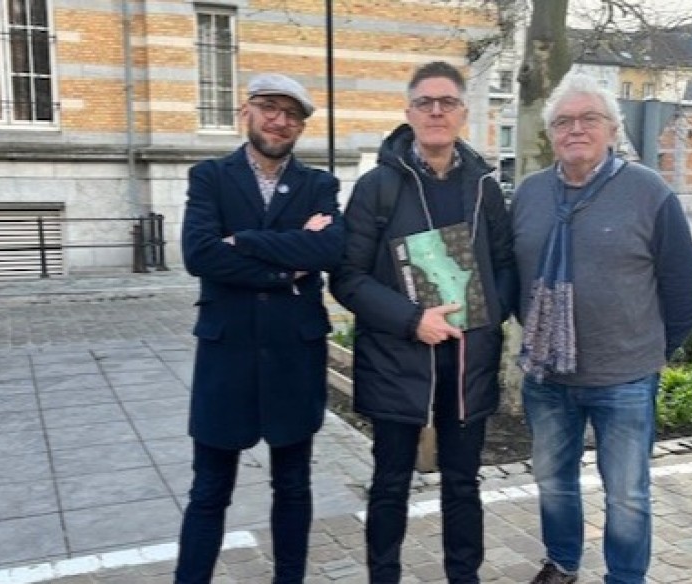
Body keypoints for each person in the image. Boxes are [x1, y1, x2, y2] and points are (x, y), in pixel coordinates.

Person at [511, 72, 692, 584]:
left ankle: (625, 577)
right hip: (547, 378)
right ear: (550, 133)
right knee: (552, 481)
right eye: (563, 121)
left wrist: (648, 351)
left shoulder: (648, 191)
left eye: (589, 118)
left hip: (625, 378)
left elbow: (687, 290)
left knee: (626, 493)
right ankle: (562, 563)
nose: (575, 128)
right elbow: (513, 279)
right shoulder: (529, 194)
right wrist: (540, 335)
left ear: (613, 129)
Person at [330, 61, 517, 583]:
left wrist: (489, 315)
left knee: (463, 484)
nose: (436, 111)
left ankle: (464, 577)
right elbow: (346, 277)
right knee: (391, 484)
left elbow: (505, 264)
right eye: (425, 103)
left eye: (447, 102)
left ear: (463, 113)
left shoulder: (484, 186)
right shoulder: (377, 187)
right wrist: (413, 320)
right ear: (409, 112)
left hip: (467, 361)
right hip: (398, 359)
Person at [175, 73, 344, 584]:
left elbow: (329, 250)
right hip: (227, 358)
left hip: (294, 357)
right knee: (209, 491)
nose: (280, 121)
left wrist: (242, 241)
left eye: (293, 115)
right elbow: (199, 254)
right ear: (246, 111)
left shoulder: (319, 185)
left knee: (293, 486)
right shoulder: (210, 176)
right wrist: (288, 265)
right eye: (270, 107)